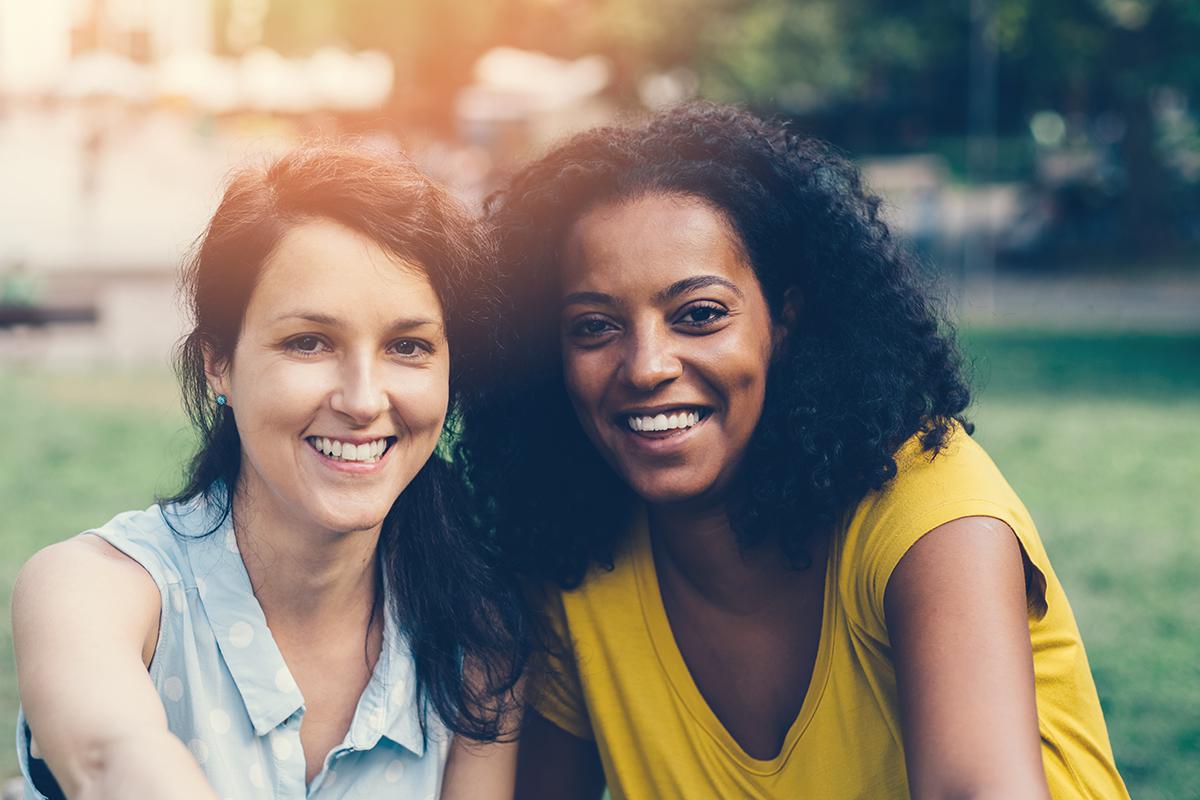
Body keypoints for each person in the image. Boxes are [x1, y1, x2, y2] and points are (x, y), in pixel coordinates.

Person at [458, 104, 1129, 799]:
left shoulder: (928, 510)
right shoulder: (577, 555)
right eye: (594, 327)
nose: (646, 366)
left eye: (699, 315)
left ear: (785, 318)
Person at [12, 146, 526, 799]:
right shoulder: (91, 589)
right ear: (217, 363)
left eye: (408, 346)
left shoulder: (478, 641)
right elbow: (112, 760)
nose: (364, 399)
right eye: (309, 342)